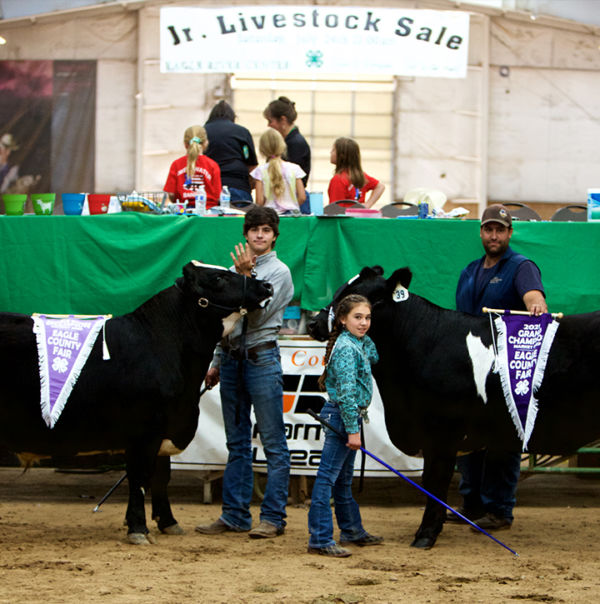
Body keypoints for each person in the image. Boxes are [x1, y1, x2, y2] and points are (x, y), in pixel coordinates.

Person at [196, 206, 293, 539]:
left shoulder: (279, 272)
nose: (260, 235)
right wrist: (216, 361)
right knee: (237, 442)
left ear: (275, 235)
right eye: (254, 229)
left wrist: (244, 278)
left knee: (273, 442)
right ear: (246, 234)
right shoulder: (234, 269)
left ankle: (273, 518)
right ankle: (235, 515)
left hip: (262, 359)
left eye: (266, 230)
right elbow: (225, 324)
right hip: (234, 359)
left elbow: (256, 317)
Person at [451, 203, 547, 531]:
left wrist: (536, 306)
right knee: (468, 437)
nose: (494, 235)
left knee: (502, 439)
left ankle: (499, 509)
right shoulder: (469, 270)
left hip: (504, 372)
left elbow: (534, 298)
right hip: (470, 369)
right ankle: (471, 503)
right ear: (481, 232)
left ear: (510, 233)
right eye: (489, 229)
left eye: (500, 230)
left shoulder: (521, 267)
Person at [307, 294, 383, 558]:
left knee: (342, 479)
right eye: (357, 317)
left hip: (346, 415)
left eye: (367, 318)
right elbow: (348, 394)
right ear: (342, 319)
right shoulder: (347, 349)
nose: (364, 323)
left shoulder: (355, 343)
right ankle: (319, 538)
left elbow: (373, 357)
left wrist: (362, 334)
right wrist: (352, 430)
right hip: (342, 415)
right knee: (328, 477)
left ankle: (351, 530)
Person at [204, 100, 258, 203]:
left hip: (209, 189)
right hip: (238, 186)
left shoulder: (203, 131)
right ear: (233, 117)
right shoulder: (242, 132)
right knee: (240, 218)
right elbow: (252, 164)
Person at [163, 125, 221, 210]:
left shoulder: (176, 164)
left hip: (183, 212)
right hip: (207, 212)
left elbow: (171, 194)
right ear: (205, 143)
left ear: (185, 144)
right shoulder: (212, 165)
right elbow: (217, 196)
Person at [250, 129, 305, 214]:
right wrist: (293, 205)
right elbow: (302, 197)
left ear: (262, 149)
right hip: (292, 215)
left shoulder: (260, 171)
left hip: (269, 215)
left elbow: (259, 201)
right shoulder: (295, 168)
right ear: (282, 146)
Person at [263, 96, 310, 188]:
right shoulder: (288, 141)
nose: (268, 125)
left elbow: (294, 178)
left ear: (283, 120)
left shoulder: (296, 143)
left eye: (270, 121)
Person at [327, 137, 385, 208]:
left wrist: (367, 204)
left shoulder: (338, 180)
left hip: (345, 218)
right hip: (359, 217)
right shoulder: (361, 176)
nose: (330, 152)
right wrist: (367, 205)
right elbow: (380, 186)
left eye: (333, 150)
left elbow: (335, 210)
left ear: (342, 156)